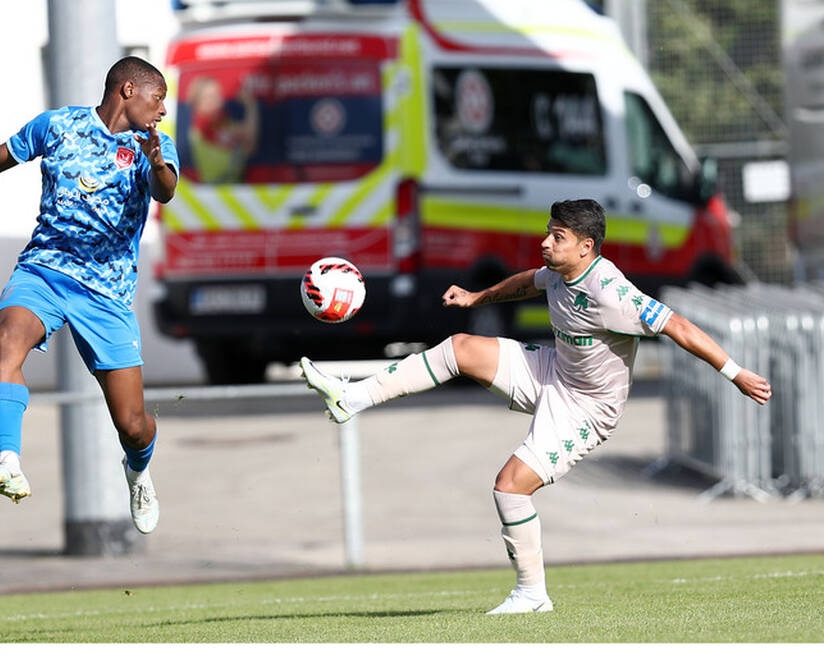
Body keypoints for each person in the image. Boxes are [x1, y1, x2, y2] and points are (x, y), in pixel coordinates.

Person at [299, 198, 772, 615]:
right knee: (461, 347)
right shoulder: (560, 272)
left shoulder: (612, 292)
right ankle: (351, 397)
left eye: (557, 236)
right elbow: (530, 282)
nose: (546, 242)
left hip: (587, 409)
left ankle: (532, 594)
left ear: (586, 246)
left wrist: (736, 373)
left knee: (509, 487)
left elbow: (679, 327)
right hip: (553, 371)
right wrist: (478, 296)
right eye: (548, 232)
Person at [0, 56, 179, 535]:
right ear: (128, 90)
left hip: (106, 293)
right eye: (158, 99)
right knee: (7, 337)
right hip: (44, 271)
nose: (162, 111)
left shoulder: (153, 145)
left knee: (133, 425)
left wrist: (156, 163)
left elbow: (165, 190)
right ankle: (9, 460)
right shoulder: (57, 126)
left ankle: (138, 470)